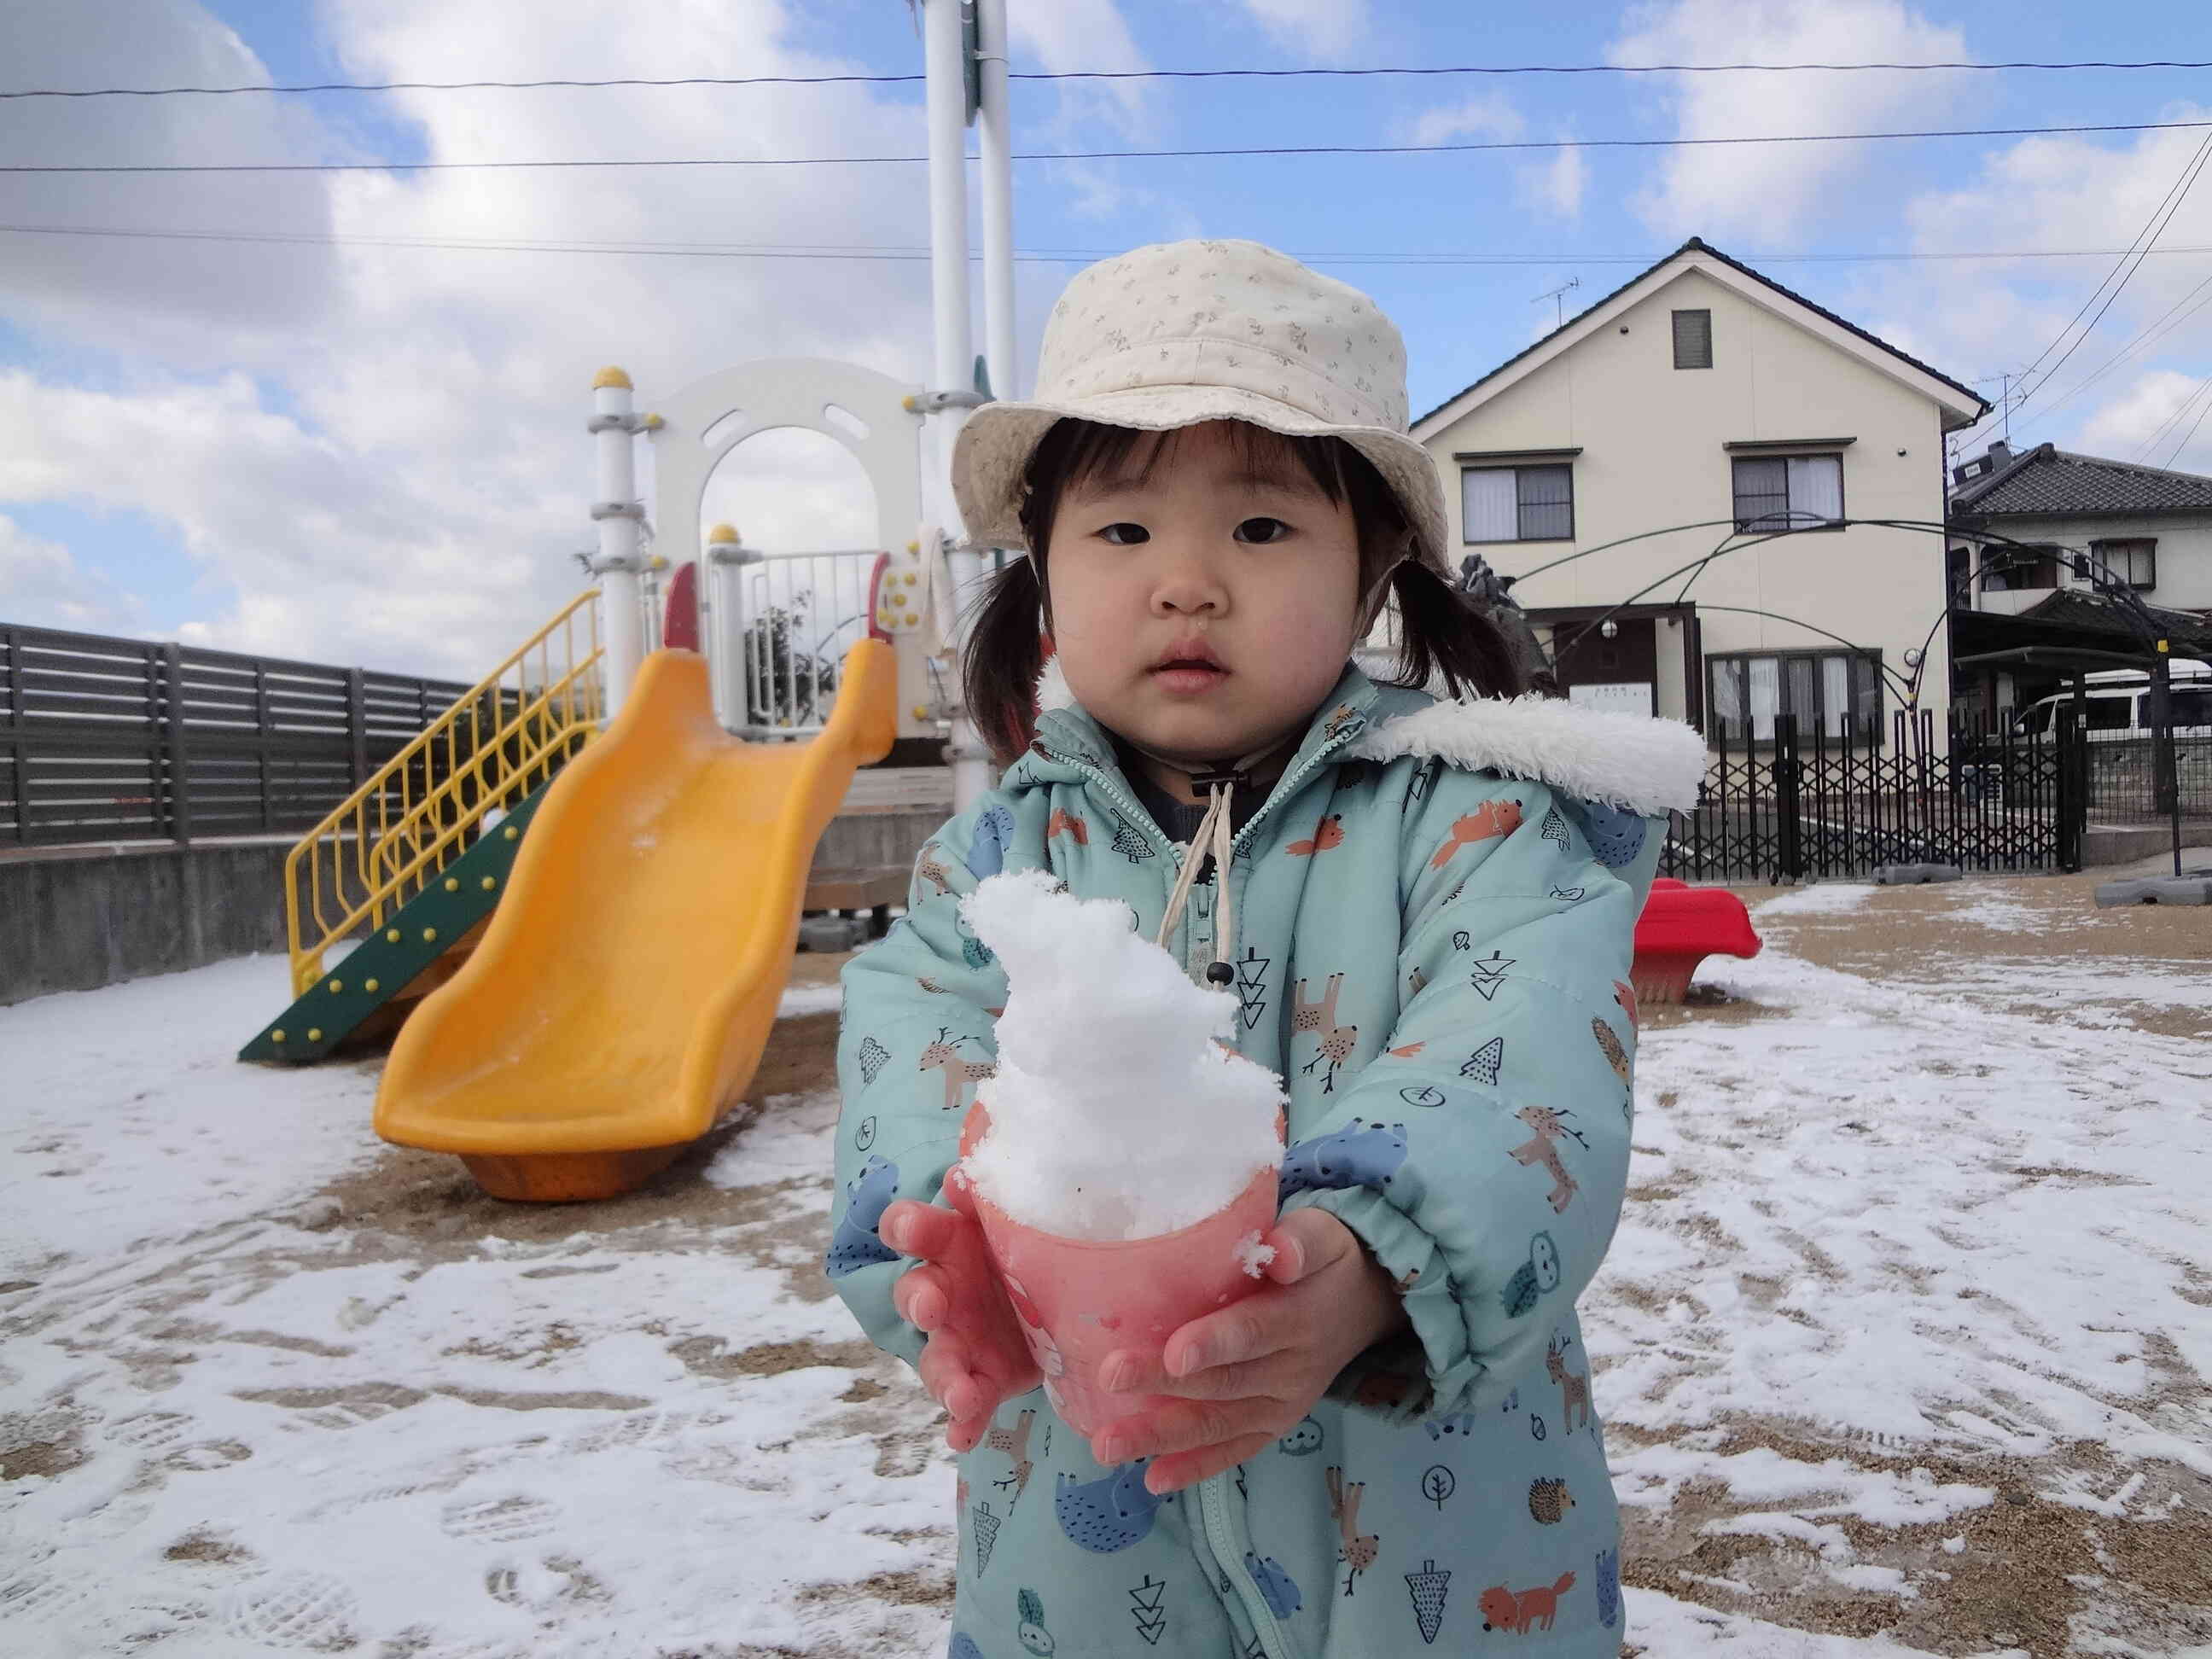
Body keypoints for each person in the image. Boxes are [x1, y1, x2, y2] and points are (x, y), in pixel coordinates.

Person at [825, 238, 1704, 1656]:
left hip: (1441, 1549)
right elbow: (909, 1049)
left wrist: (1370, 1262)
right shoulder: (995, 866)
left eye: (1260, 529)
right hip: (1086, 1548)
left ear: (1371, 581)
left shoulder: (1474, 823)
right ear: (1041, 580)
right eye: (1123, 532)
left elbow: (1524, 1059)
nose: (1187, 584)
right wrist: (951, 1242)